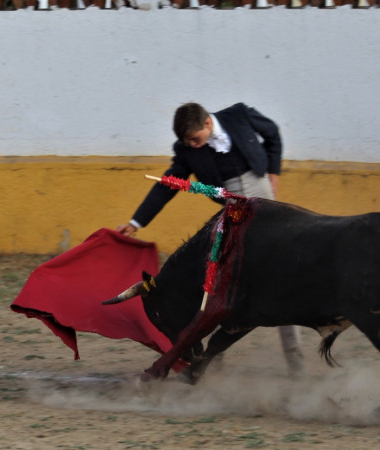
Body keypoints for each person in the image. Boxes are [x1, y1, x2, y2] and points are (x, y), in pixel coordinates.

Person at [117, 102, 305, 376]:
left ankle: (296, 364)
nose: (193, 146)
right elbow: (168, 185)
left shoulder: (239, 115)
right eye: (187, 142)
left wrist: (273, 172)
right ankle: (212, 364)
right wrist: (136, 223)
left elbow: (272, 133)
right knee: (221, 284)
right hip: (234, 215)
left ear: (207, 123)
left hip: (267, 206)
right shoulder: (187, 150)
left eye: (195, 139)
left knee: (280, 279)